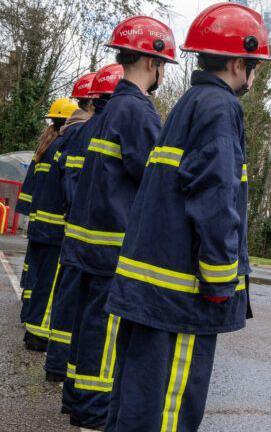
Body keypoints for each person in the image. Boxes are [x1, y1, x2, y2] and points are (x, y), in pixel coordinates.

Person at [104, 3, 271, 431]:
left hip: (153, 293)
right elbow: (217, 198)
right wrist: (219, 279)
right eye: (254, 65)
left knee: (136, 406)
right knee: (170, 412)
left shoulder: (188, 104)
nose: (253, 74)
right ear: (239, 63)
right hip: (183, 298)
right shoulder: (220, 109)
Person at [59, 16, 176, 429]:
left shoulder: (109, 110)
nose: (163, 73)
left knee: (88, 328)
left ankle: (78, 399)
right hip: (113, 245)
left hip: (89, 242)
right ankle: (92, 408)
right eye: (164, 65)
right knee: (105, 336)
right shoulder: (136, 111)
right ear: (152, 61)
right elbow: (155, 176)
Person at [57, 63, 122, 416]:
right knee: (97, 327)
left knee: (81, 320)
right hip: (104, 245)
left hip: (81, 239)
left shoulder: (87, 130)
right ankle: (91, 405)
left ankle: (75, 394)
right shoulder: (110, 126)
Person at [37, 71, 98, 382]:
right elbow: (73, 183)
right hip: (76, 231)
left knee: (61, 296)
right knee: (68, 299)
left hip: (68, 230)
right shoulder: (83, 133)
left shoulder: (67, 135)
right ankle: (60, 366)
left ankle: (57, 363)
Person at [20, 97, 78, 351]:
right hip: (55, 229)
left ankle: (29, 319)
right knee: (49, 283)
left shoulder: (45, 147)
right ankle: (38, 334)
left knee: (34, 277)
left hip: (38, 226)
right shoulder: (63, 147)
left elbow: (30, 189)